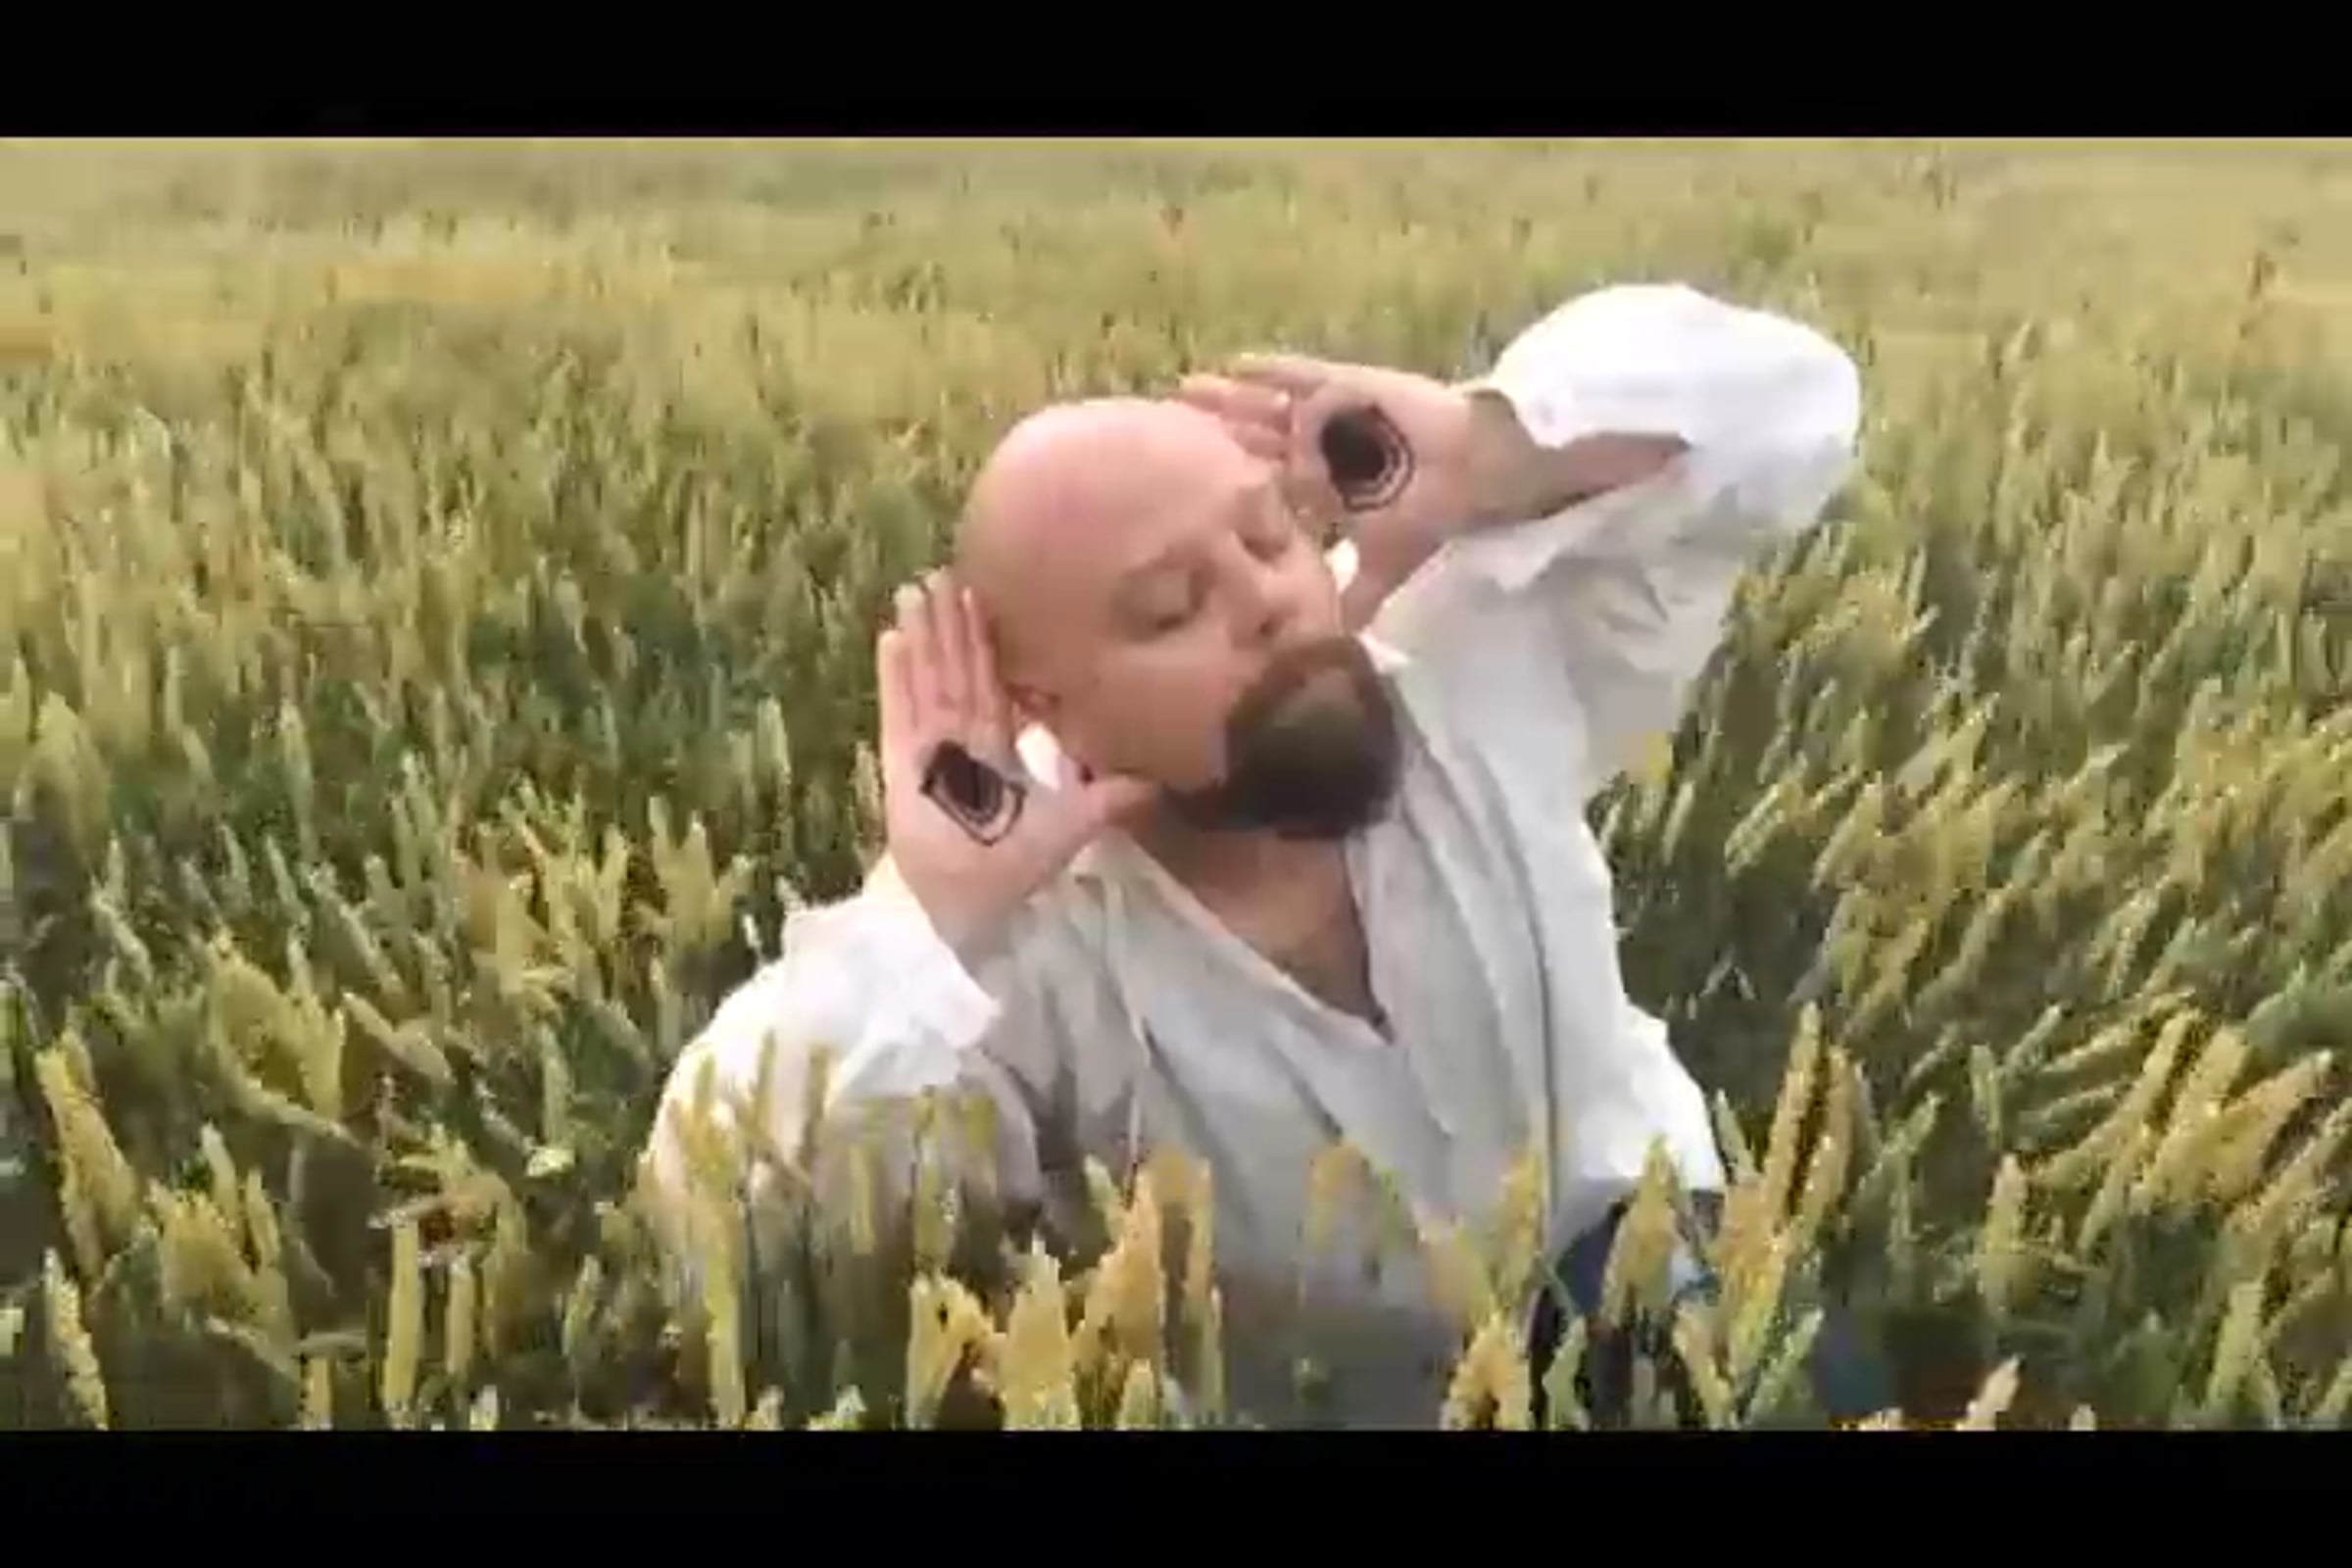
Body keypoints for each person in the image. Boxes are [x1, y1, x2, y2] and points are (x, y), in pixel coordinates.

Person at [639, 279, 1884, 1429]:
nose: (1270, 602)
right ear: (1049, 710)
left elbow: (1795, 413)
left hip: (1642, 1253)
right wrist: (935, 916)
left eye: (1272, 535)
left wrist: (1487, 449)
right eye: (1171, 606)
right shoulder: (1018, 945)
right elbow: (723, 1223)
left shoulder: (1463, 668)